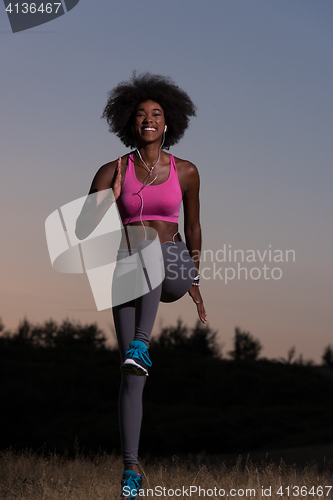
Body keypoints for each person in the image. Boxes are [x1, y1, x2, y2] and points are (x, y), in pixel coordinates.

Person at [75, 73, 206, 498]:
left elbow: (193, 225)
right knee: (131, 378)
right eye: (140, 114)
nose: (148, 119)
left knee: (149, 240)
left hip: (173, 266)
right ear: (130, 124)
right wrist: (109, 196)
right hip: (129, 271)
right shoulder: (113, 169)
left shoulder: (185, 171)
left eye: (156, 114)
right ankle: (131, 470)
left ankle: (141, 341)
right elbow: (82, 227)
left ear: (168, 123)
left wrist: (196, 279)